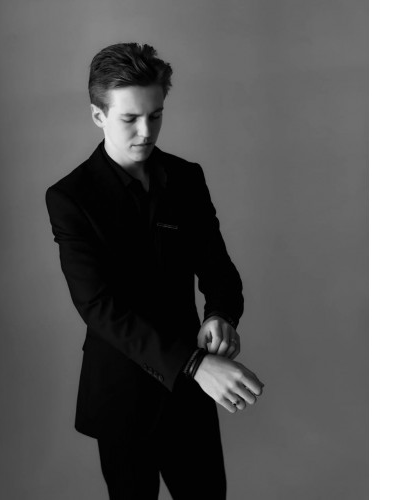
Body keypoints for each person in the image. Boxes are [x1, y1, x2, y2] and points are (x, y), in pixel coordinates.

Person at [45, 42, 265, 500]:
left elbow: (219, 269)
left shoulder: (187, 178)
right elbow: (98, 307)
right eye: (130, 118)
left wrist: (221, 315)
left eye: (156, 115)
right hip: (122, 396)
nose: (146, 132)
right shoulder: (70, 198)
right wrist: (196, 363)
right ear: (98, 115)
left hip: (191, 393)